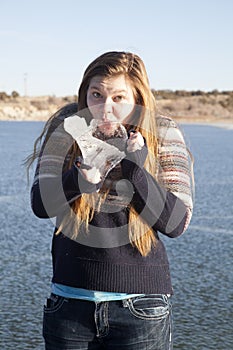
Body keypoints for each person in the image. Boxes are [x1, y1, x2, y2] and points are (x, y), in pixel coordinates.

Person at [28, 51, 194, 350]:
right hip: (68, 305)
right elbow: (41, 204)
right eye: (96, 94)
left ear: (137, 97)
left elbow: (176, 222)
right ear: (85, 93)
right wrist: (81, 180)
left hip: (142, 308)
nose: (106, 108)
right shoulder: (66, 124)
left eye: (119, 97)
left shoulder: (162, 130)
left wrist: (133, 168)